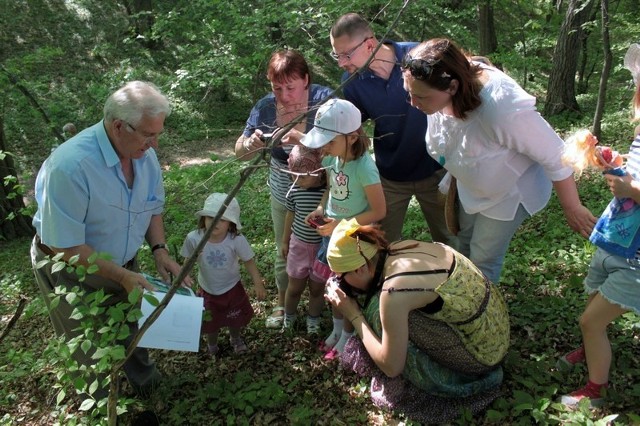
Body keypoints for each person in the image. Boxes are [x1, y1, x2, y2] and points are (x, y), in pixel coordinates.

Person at [30, 80, 191, 398]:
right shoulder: (70, 166)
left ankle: (145, 386)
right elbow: (63, 245)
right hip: (70, 269)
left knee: (130, 325)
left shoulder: (144, 156)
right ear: (119, 126)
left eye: (158, 133)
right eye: (149, 134)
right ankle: (103, 403)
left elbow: (152, 208)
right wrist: (121, 275)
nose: (155, 144)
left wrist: (159, 251)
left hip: (123, 263)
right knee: (87, 343)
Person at [402, 38, 597, 283]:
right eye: (409, 93)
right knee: (462, 244)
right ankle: (461, 296)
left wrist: (573, 208)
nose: (413, 103)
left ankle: (482, 317)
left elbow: (556, 155)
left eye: (420, 97)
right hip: (473, 188)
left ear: (452, 87)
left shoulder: (501, 108)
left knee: (484, 259)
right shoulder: (439, 82)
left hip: (508, 195)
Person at [324, 218, 509, 423]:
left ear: (360, 268)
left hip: (482, 355)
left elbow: (391, 367)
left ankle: (456, 381)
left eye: (341, 276)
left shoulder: (394, 291)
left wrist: (353, 314)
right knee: (383, 307)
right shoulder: (398, 248)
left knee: (375, 310)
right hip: (496, 328)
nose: (340, 281)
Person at [557, 43, 640, 408]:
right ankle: (594, 346)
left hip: (637, 257)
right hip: (617, 238)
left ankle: (595, 390)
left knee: (591, 321)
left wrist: (631, 190)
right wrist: (611, 159)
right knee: (591, 312)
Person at [329, 13, 454, 246]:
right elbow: (353, 131)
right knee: (382, 243)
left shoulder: (418, 57)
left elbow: (452, 101)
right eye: (337, 55)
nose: (341, 62)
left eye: (346, 55)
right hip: (390, 178)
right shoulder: (353, 82)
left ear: (369, 44)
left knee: (450, 238)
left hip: (436, 169)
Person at [234, 50, 333, 328]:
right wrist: (250, 145)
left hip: (325, 185)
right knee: (285, 244)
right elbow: (239, 153)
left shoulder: (324, 101)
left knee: (326, 245)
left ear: (306, 80)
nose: (284, 95)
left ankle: (326, 299)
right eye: (277, 88)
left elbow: (349, 145)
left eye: (290, 87)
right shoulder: (265, 107)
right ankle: (282, 303)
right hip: (282, 180)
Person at [300, 98, 386, 358]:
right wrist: (320, 209)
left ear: (351, 137)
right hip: (334, 235)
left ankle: (349, 338)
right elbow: (331, 190)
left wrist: (342, 224)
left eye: (330, 141)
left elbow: (379, 211)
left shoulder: (365, 167)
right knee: (332, 285)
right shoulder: (332, 159)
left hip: (354, 239)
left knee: (347, 290)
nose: (325, 147)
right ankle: (337, 331)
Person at [180, 193, 266, 355]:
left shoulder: (236, 239)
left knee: (235, 319)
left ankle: (236, 339)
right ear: (204, 218)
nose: (215, 223)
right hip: (208, 289)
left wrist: (257, 282)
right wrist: (184, 277)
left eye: (222, 219)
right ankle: (212, 344)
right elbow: (188, 261)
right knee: (210, 322)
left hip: (232, 287)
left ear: (231, 223)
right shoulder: (194, 238)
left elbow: (249, 261)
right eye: (211, 218)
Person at [281, 145, 327, 334]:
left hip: (321, 249)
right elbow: (290, 215)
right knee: (294, 287)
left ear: (318, 171)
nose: (297, 180)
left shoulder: (328, 192)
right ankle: (289, 316)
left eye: (302, 176)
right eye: (293, 175)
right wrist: (284, 241)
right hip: (298, 246)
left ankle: (313, 320)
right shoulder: (294, 191)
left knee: (317, 288)